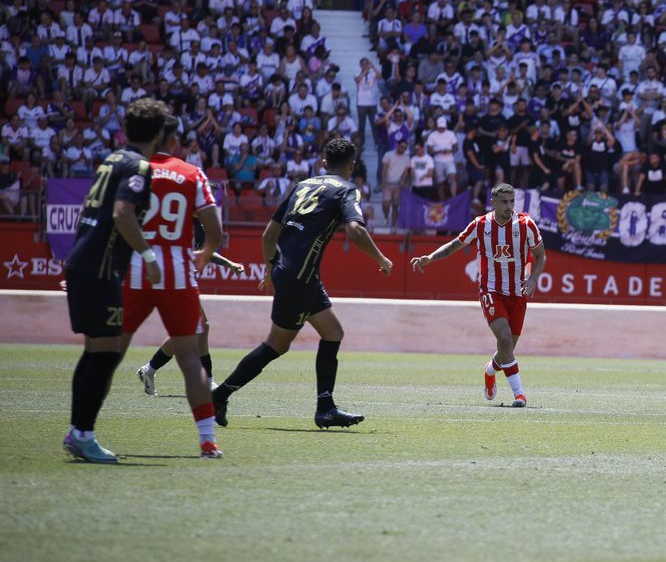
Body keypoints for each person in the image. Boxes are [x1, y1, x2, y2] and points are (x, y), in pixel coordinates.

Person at [211, 138, 393, 429]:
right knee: (276, 345)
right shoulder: (347, 189)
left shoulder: (302, 185)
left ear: (323, 163)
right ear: (352, 166)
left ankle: (325, 406)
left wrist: (272, 271)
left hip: (291, 271)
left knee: (332, 332)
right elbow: (356, 232)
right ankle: (220, 394)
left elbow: (268, 235)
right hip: (301, 276)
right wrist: (382, 259)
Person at [61, 98, 169, 463]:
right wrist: (149, 256)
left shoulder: (112, 160)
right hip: (101, 267)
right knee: (105, 354)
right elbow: (123, 212)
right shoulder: (139, 165)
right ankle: (83, 435)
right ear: (158, 133)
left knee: (96, 351)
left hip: (84, 262)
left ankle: (78, 432)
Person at [116, 117, 226, 457]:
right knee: (191, 359)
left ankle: (82, 430)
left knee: (107, 351)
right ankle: (207, 441)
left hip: (137, 268)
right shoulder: (192, 174)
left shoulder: (132, 168)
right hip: (178, 273)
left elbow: (118, 217)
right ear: (173, 140)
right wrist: (204, 257)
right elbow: (215, 231)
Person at [410, 183, 546, 407]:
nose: (509, 206)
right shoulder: (481, 225)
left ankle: (490, 370)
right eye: (504, 202)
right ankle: (519, 394)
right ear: (492, 202)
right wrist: (430, 258)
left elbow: (540, 255)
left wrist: (533, 278)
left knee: (507, 348)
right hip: (491, 289)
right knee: (503, 338)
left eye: (512, 201)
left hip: (517, 293)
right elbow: (455, 244)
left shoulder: (526, 225)